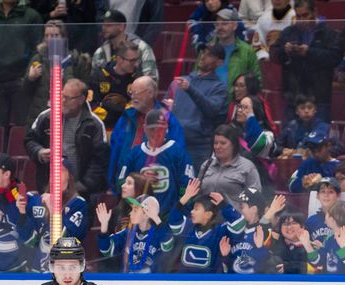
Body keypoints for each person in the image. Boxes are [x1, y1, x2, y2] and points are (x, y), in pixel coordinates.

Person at [26, 79, 108, 196]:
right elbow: (30, 140)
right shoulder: (46, 117)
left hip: (82, 192)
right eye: (62, 95)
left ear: (81, 99)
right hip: (48, 189)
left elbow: (99, 162)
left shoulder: (94, 124)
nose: (63, 101)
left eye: (69, 98)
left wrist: (81, 187)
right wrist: (39, 152)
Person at [270, 0, 342, 122]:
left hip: (319, 95)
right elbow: (274, 54)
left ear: (315, 12)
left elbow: (335, 57)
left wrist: (310, 52)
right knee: (290, 136)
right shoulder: (289, 32)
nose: (302, 20)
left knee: (319, 136)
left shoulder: (328, 33)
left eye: (305, 15)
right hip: (293, 94)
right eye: (298, 16)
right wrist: (284, 50)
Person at [108, 76, 184, 187]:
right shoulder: (126, 118)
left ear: (150, 93)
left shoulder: (168, 120)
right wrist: (112, 183)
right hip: (124, 182)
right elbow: (114, 150)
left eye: (136, 92)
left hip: (154, 184)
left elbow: (177, 154)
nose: (133, 97)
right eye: (131, 92)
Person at [117, 109, 195, 216]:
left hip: (169, 219)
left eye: (160, 129)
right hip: (141, 217)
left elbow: (187, 187)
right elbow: (121, 184)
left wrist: (176, 214)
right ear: (144, 128)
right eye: (152, 129)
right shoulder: (134, 154)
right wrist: (138, 206)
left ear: (167, 128)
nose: (156, 133)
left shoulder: (178, 152)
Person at [0, 0, 42, 129]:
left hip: (20, 81)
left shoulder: (31, 16)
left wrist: (26, 76)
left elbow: (37, 49)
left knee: (22, 126)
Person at [169, 42, 228, 173]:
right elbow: (166, 107)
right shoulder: (181, 82)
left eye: (210, 55)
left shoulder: (219, 88)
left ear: (219, 62)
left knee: (196, 187)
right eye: (203, 52)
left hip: (198, 147)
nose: (203, 56)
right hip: (174, 142)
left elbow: (211, 110)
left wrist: (190, 89)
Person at [168, 177, 246, 273]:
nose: (192, 212)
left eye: (196, 209)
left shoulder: (220, 230)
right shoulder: (188, 226)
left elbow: (239, 224)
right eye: (193, 209)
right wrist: (186, 196)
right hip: (185, 282)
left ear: (208, 214)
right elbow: (173, 220)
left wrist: (224, 205)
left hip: (209, 283)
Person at [24, 161, 88, 272]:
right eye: (53, 170)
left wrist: (54, 210)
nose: (56, 173)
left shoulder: (78, 204)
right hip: (37, 271)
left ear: (70, 176)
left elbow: (67, 240)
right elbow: (26, 237)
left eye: (61, 170)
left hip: (65, 272)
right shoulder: (37, 200)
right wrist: (21, 210)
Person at [24, 20, 90, 128]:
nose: (50, 39)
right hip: (41, 114)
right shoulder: (38, 59)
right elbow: (25, 92)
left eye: (55, 35)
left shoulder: (75, 60)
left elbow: (84, 91)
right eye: (47, 35)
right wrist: (30, 79)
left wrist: (66, 70)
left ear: (63, 38)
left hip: (68, 115)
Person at [96, 194, 174, 273]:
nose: (130, 213)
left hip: (151, 283)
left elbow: (168, 245)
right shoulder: (127, 233)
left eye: (135, 210)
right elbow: (107, 251)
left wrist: (156, 218)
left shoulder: (159, 234)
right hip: (128, 282)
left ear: (146, 214)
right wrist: (104, 225)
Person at [206, 8, 262, 98]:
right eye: (217, 24)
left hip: (234, 104)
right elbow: (197, 74)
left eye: (224, 23)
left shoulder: (247, 51)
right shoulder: (207, 49)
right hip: (208, 101)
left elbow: (256, 81)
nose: (219, 28)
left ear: (234, 25)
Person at [198, 124, 261, 203]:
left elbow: (255, 197)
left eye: (223, 143)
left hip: (237, 213)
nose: (218, 146)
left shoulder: (247, 167)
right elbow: (198, 193)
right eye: (215, 143)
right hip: (208, 214)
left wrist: (233, 205)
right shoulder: (206, 165)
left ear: (233, 144)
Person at [91, 9, 158, 81]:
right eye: (103, 25)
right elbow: (94, 80)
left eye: (108, 25)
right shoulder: (100, 52)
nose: (104, 28)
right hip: (108, 91)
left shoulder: (142, 48)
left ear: (121, 27)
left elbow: (152, 80)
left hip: (135, 90)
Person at [219, 186, 273, 274]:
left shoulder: (265, 231)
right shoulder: (235, 229)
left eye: (242, 207)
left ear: (254, 209)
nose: (239, 210)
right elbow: (227, 265)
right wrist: (225, 257)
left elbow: (267, 265)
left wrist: (260, 248)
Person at [89, 39, 139, 132]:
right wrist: (113, 114)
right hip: (101, 128)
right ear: (119, 59)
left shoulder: (137, 80)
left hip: (126, 130)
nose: (135, 64)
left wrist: (111, 108)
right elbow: (91, 106)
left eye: (136, 60)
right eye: (131, 61)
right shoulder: (99, 76)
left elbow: (137, 108)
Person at [306, 199, 345, 274]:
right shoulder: (329, 238)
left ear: (332, 219)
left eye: (327, 213)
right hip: (329, 283)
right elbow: (318, 262)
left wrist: (343, 248)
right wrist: (308, 245)